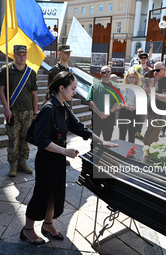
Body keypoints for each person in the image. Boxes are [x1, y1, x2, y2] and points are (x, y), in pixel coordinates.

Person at [21, 71, 118, 245]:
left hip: (57, 159)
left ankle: (48, 224)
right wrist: (65, 152)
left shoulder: (64, 107)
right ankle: (28, 229)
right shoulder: (49, 109)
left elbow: (79, 127)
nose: (75, 92)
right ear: (61, 88)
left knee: (54, 193)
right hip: (46, 160)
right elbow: (42, 141)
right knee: (41, 194)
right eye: (73, 88)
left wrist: (102, 141)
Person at [0, 45, 38, 177]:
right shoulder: (6, 70)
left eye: (24, 54)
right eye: (19, 54)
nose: (22, 57)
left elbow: (34, 94)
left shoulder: (31, 73)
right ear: (13, 55)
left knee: (25, 139)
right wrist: (6, 108)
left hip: (28, 111)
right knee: (13, 140)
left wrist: (35, 112)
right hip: (12, 112)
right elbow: (1, 91)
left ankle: (23, 162)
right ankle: (13, 165)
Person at [48, 44, 72, 166]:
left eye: (69, 52)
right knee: (55, 131)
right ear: (59, 53)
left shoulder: (70, 71)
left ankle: (63, 154)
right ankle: (55, 154)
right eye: (65, 52)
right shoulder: (53, 71)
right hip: (56, 106)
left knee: (64, 132)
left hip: (66, 106)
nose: (68, 55)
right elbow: (50, 90)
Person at [143, 62, 166, 146]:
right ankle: (152, 156)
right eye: (154, 70)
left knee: (148, 140)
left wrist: (151, 92)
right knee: (153, 139)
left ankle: (147, 157)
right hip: (152, 114)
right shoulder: (159, 81)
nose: (155, 72)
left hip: (158, 115)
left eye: (158, 70)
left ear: (164, 70)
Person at [87, 66, 120, 141]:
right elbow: (91, 101)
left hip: (110, 117)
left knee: (108, 139)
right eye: (104, 72)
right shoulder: (94, 86)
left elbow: (117, 102)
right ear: (101, 73)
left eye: (108, 72)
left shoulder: (115, 86)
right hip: (96, 117)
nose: (106, 74)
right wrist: (99, 113)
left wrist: (110, 112)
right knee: (95, 139)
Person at [118, 69, 142, 142]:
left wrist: (135, 107)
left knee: (132, 136)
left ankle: (130, 152)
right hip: (123, 112)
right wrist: (124, 106)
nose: (131, 79)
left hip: (134, 114)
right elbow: (118, 103)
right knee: (122, 135)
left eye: (133, 77)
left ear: (136, 78)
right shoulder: (122, 89)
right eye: (130, 77)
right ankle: (120, 150)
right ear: (127, 78)